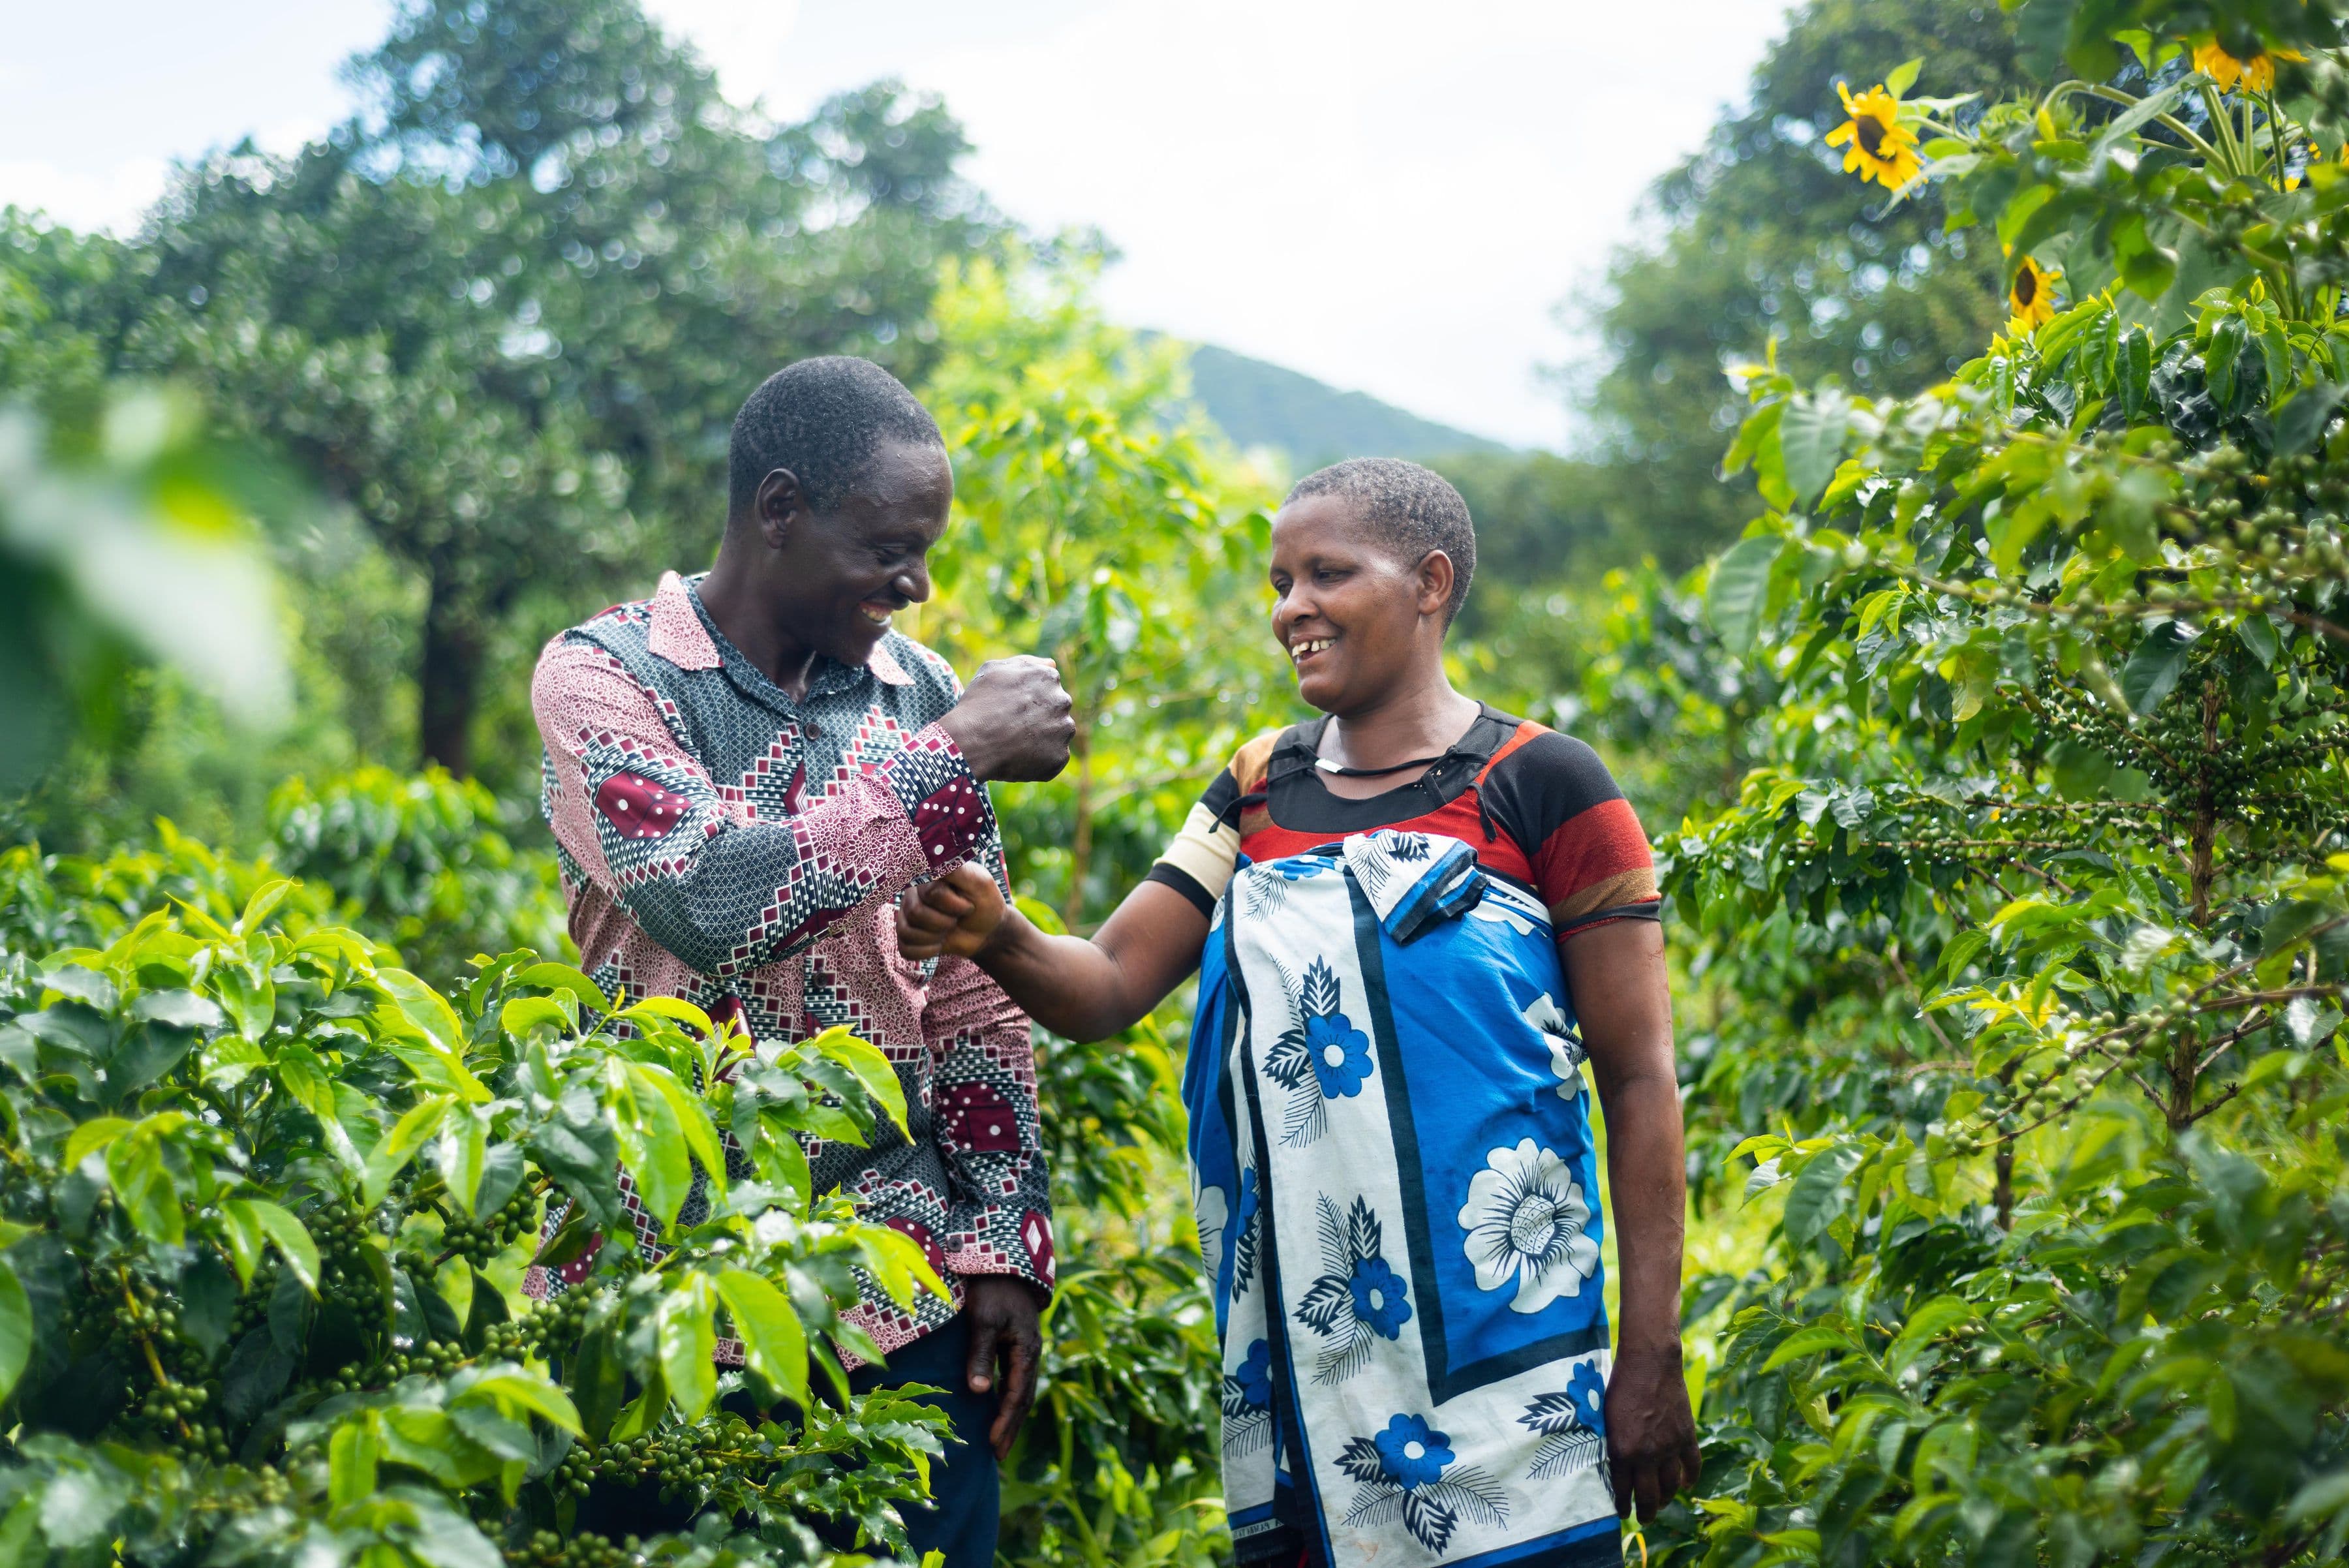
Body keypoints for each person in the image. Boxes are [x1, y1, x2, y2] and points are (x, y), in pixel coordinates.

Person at [898, 458, 1699, 1567]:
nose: (1291, 609)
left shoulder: (1548, 786)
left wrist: (1649, 1353)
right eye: (1280, 580)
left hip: (1510, 1366)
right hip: (1302, 1371)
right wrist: (1001, 936)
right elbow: (1113, 983)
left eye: (1328, 573)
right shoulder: (1257, 788)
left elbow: (1640, 1077)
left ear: (1429, 584)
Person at [524, 355, 1075, 1566]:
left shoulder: (914, 691)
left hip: (902, 1295)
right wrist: (955, 755)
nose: (916, 585)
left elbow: (972, 984)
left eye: (924, 550)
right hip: (657, 1291)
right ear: (779, 510)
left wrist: (1005, 1241)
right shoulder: (605, 675)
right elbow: (709, 897)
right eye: (888, 547)